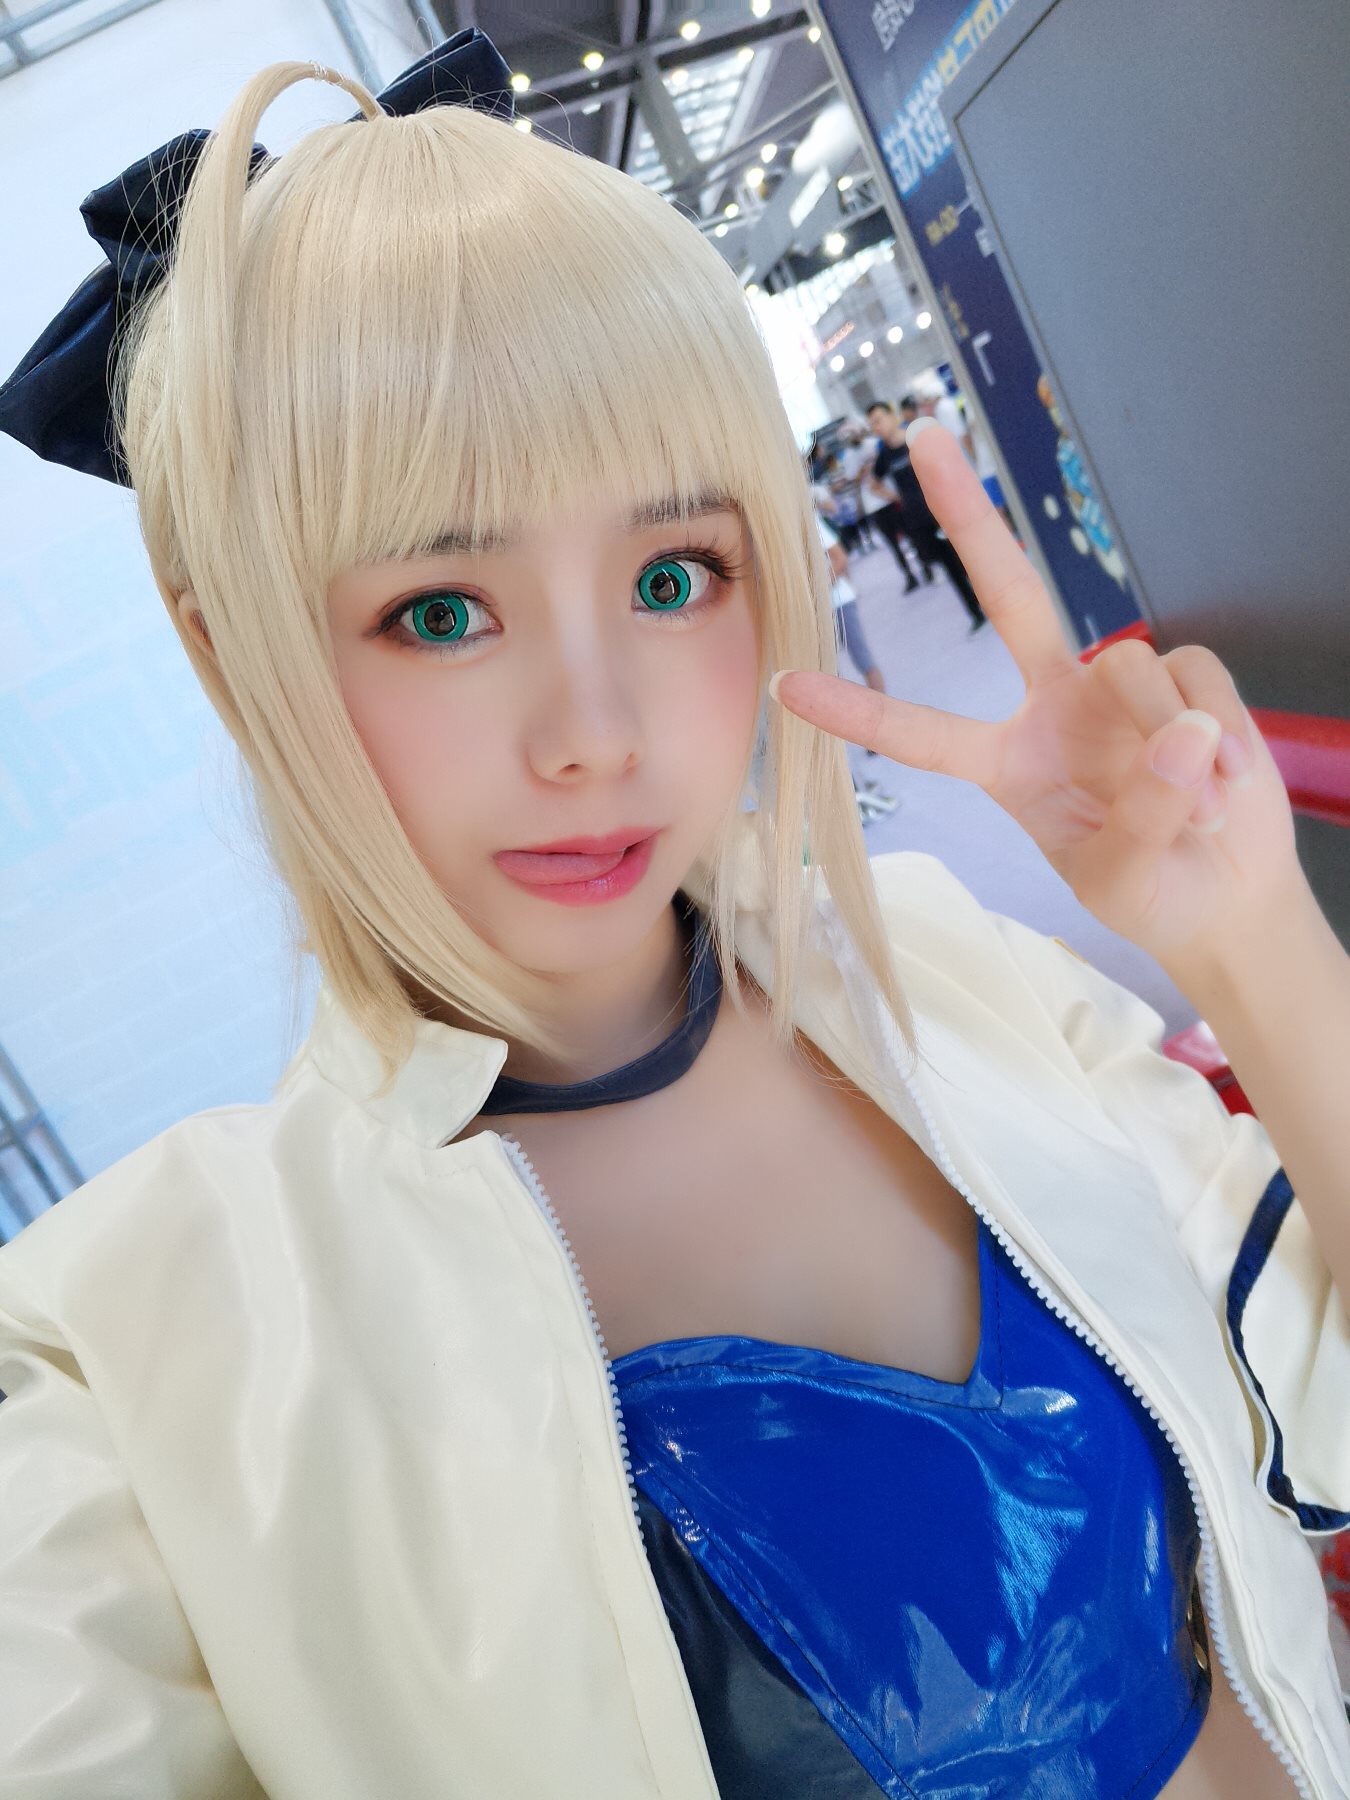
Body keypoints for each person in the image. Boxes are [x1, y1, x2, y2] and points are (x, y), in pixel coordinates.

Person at [0, 28, 1346, 1800]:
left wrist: (1249, 936)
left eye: (669, 575)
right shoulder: (134, 1354)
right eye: (440, 612)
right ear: (226, 646)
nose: (597, 735)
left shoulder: (948, 970)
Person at [868, 398, 988, 631]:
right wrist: (897, 497)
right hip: (919, 518)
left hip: (943, 508)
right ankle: (975, 612)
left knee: (966, 557)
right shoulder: (884, 456)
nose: (876, 427)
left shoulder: (915, 439)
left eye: (878, 420)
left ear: (892, 416)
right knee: (949, 566)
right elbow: (874, 484)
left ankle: (991, 599)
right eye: (872, 424)